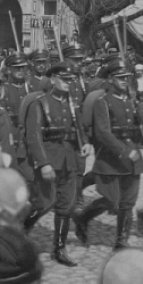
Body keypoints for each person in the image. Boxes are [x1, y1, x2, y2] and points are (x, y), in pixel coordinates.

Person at [75, 59, 143, 248]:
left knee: (128, 201)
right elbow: (103, 132)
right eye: (120, 78)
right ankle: (83, 218)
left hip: (133, 157)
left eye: (126, 77)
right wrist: (124, 151)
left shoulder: (132, 101)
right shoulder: (102, 102)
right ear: (110, 80)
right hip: (111, 157)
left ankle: (121, 241)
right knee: (112, 200)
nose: (124, 81)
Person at [24, 61, 92, 265]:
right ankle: (19, 230)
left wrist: (86, 143)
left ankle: (59, 249)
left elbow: (79, 128)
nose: (67, 83)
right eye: (64, 79)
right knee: (44, 203)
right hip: (50, 159)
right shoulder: (40, 102)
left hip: (68, 159)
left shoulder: (72, 103)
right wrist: (43, 163)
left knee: (66, 205)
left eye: (70, 80)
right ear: (53, 79)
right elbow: (34, 136)